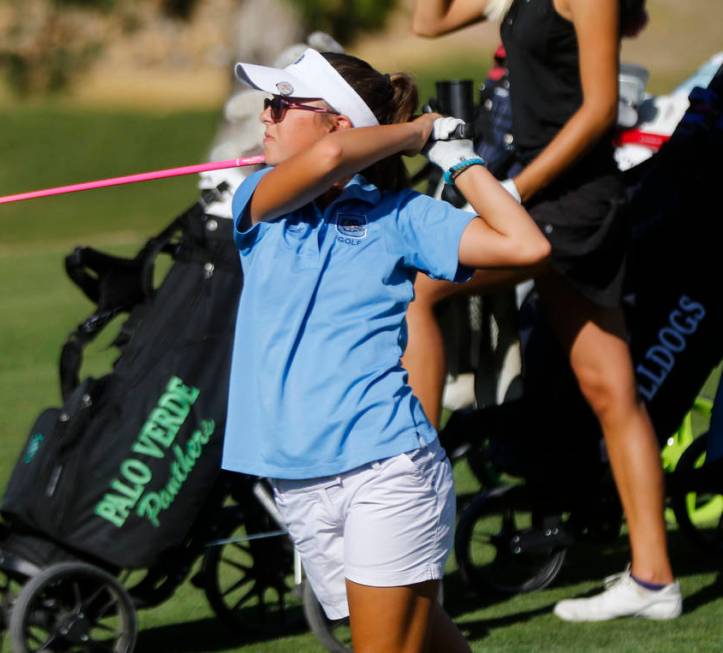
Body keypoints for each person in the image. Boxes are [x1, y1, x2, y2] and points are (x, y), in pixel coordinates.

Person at [221, 47, 549, 652]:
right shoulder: (258, 200)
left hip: (387, 466)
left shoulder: (401, 216)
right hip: (298, 477)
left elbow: (526, 247)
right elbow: (326, 158)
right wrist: (416, 131)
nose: (265, 116)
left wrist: (457, 160)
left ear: (339, 121)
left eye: (283, 104)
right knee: (419, 637)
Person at [412, 0, 683, 621]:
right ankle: (654, 579)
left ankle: (406, 505)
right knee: (611, 390)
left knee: (422, 287)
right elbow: (427, 22)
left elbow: (598, 109)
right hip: (546, 201)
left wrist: (516, 191)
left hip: (569, 204)